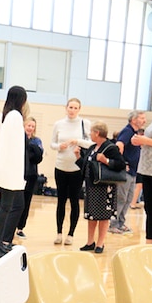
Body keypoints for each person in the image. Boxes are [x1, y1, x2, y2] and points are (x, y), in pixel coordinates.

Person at [0, 86, 29, 258]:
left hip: (3, 168)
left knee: (3, 207)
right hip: (10, 170)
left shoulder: (3, 115)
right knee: (5, 207)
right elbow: (15, 148)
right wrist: (16, 174)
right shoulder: (15, 116)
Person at [77, 121, 125, 254]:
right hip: (91, 186)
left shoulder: (110, 148)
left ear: (97, 133)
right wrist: (77, 156)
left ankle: (100, 243)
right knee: (91, 216)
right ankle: (90, 242)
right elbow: (86, 166)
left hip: (104, 188)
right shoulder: (92, 147)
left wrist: (106, 161)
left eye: (91, 132)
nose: (90, 134)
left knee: (103, 216)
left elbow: (121, 164)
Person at [50, 98, 92, 245]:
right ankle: (59, 232)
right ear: (66, 108)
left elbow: (92, 143)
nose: (72, 110)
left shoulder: (84, 123)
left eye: (75, 108)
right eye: (70, 107)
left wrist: (77, 141)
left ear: (79, 109)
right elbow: (52, 143)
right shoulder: (59, 124)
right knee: (61, 200)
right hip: (60, 166)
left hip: (76, 168)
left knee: (74, 200)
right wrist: (58, 146)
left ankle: (71, 234)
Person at [111, 110, 147, 235]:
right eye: (141, 118)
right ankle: (113, 224)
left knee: (128, 198)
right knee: (120, 198)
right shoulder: (127, 131)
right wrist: (122, 163)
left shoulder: (135, 133)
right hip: (125, 172)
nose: (144, 120)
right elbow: (119, 145)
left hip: (133, 172)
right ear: (133, 119)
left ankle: (121, 222)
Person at [16, 116, 44, 238]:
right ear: (24, 125)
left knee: (26, 202)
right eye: (29, 125)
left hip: (31, 175)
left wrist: (30, 149)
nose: (30, 128)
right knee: (16, 201)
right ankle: (10, 226)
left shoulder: (36, 141)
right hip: (18, 174)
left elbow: (38, 158)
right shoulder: (17, 138)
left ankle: (20, 228)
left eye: (33, 126)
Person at [131, 119, 152, 244]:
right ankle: (149, 243)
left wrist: (145, 140)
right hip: (147, 169)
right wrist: (138, 140)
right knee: (150, 209)